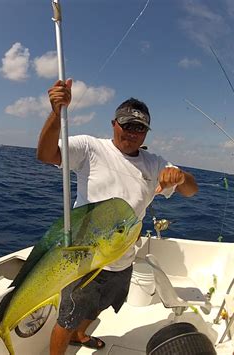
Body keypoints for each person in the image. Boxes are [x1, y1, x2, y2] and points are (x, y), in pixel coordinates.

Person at [36, 79, 198, 355]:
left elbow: (190, 191)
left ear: (146, 133)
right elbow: (46, 154)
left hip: (122, 259)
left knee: (99, 306)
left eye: (140, 128)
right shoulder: (90, 148)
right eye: (127, 124)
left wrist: (181, 177)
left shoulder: (154, 163)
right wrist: (55, 112)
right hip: (84, 259)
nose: (133, 132)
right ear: (114, 123)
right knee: (67, 318)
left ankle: (81, 336)